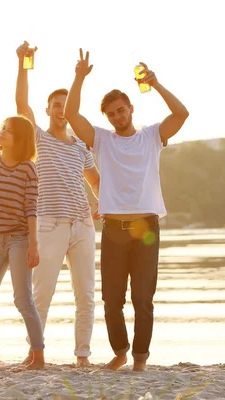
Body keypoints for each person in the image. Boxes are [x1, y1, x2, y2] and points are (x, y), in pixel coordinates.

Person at [64, 49, 189, 371]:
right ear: (107, 118)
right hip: (114, 230)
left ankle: (140, 359)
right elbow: (72, 114)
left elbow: (182, 114)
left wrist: (156, 84)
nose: (118, 117)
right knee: (112, 301)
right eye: (112, 114)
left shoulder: (151, 136)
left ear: (131, 108)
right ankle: (120, 351)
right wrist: (79, 77)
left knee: (143, 300)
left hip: (147, 227)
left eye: (122, 111)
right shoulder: (101, 140)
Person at [14, 41, 100, 367]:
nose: (61, 109)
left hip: (82, 225)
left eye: (66, 105)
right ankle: (35, 353)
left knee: (86, 295)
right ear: (48, 110)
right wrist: (23, 64)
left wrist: (100, 204)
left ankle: (82, 357)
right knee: (41, 294)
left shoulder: (80, 146)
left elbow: (96, 181)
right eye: (56, 105)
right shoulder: (39, 138)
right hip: (49, 223)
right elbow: (21, 103)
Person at [0, 115, 45, 370]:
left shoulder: (28, 167)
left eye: (8, 131)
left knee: (23, 300)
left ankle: (38, 357)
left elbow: (31, 208)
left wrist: (33, 245)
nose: (2, 133)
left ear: (20, 138)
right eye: (2, 128)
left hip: (19, 240)